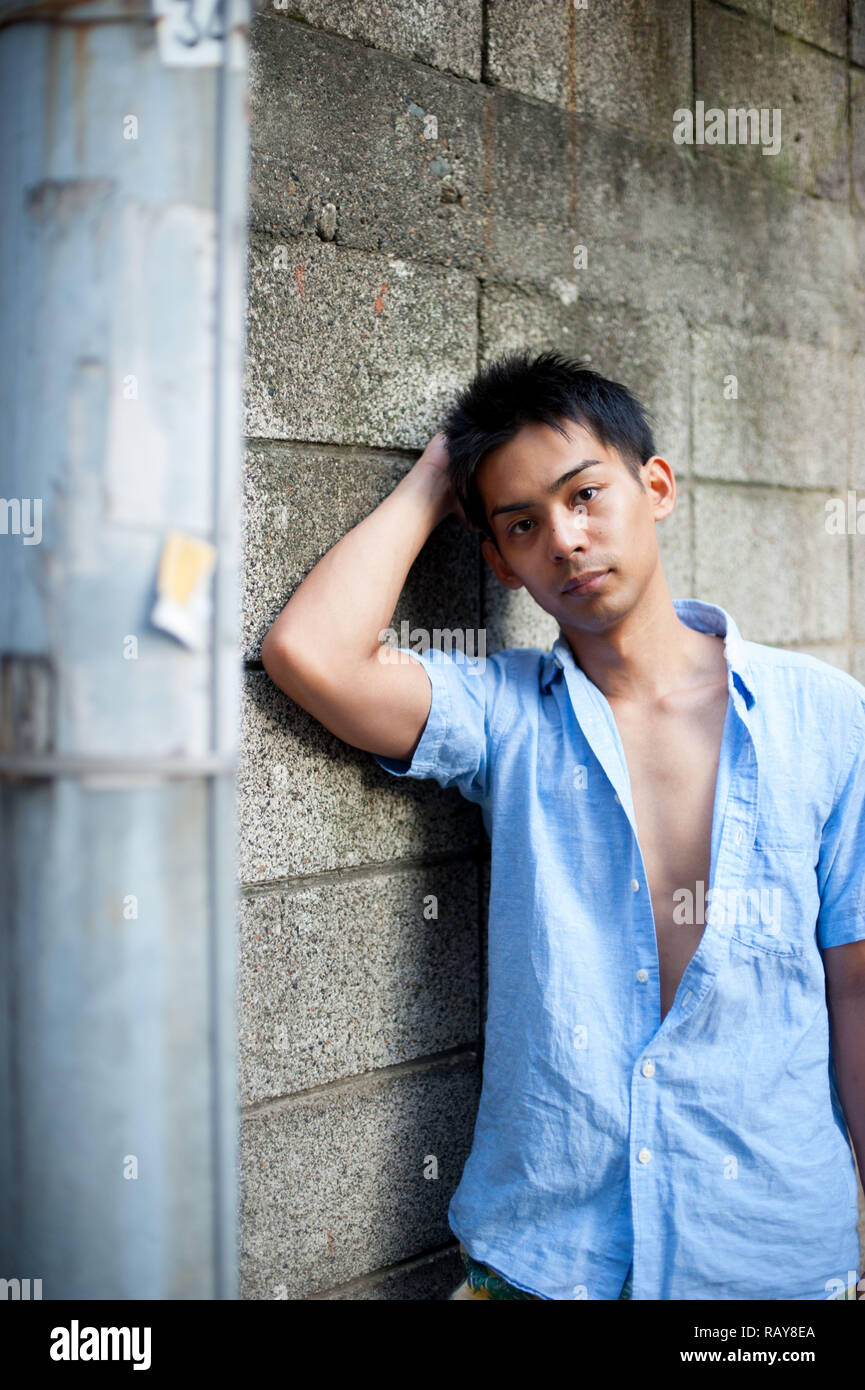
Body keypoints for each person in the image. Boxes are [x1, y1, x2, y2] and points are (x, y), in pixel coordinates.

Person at [260, 348, 865, 1301]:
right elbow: (308, 653)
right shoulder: (506, 716)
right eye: (523, 524)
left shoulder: (829, 718)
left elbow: (855, 992)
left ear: (655, 486)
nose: (567, 539)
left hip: (767, 1264)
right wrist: (435, 475)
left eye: (585, 496)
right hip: (547, 1262)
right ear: (496, 562)